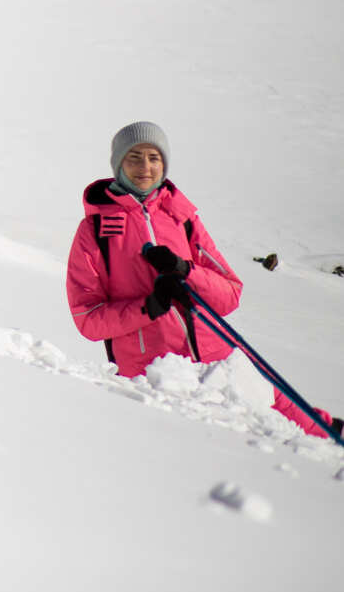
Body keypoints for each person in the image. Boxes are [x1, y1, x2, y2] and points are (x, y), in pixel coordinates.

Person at [66, 121, 339, 438]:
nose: (145, 167)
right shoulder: (95, 232)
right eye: (134, 157)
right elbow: (88, 319)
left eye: (154, 158)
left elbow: (230, 294)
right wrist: (149, 307)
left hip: (216, 359)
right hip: (156, 378)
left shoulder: (181, 218)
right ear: (118, 164)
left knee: (289, 415)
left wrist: (186, 271)